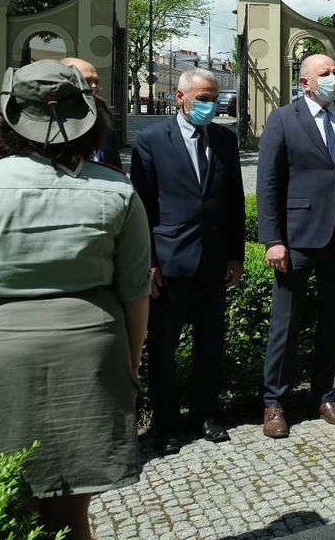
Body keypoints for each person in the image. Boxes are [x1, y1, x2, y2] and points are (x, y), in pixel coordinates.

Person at [0, 60, 150, 540]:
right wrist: (131, 363)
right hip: (90, 356)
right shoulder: (117, 190)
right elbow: (135, 293)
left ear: (6, 115)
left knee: (2, 508)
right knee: (72, 514)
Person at [257, 54, 335, 437]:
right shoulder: (283, 119)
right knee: (286, 323)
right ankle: (274, 403)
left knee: (333, 321)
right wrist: (273, 239)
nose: (333, 78)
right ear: (305, 81)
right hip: (296, 239)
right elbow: (268, 184)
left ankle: (324, 395)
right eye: (324, 73)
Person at [131, 67, 245, 455]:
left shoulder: (225, 140)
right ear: (180, 98)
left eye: (214, 98)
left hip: (213, 264)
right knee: (163, 350)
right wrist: (148, 262)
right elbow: (142, 208)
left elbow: (233, 202)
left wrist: (235, 254)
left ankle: (205, 415)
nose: (211, 105)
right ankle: (166, 425)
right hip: (169, 262)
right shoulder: (150, 141)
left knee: (209, 346)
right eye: (203, 98)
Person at [61, 57, 123, 171]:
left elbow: (115, 172)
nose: (94, 87)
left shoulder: (106, 133)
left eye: (96, 82)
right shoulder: (48, 130)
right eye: (87, 81)